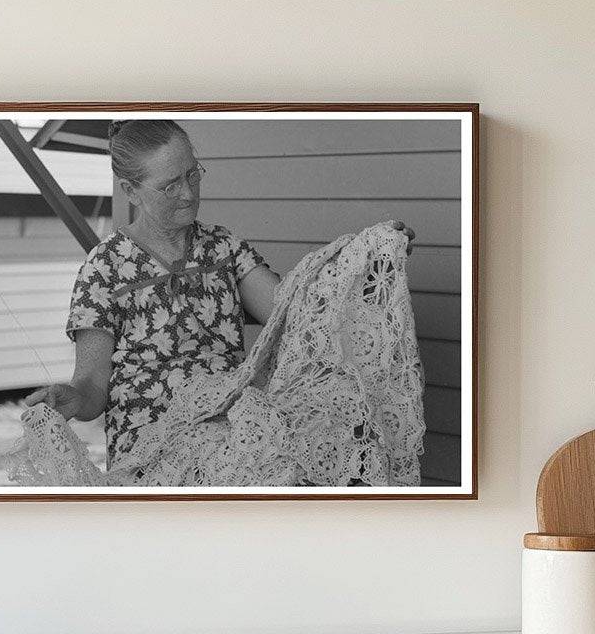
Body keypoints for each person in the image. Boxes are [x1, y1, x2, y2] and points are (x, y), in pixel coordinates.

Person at [24, 119, 414, 468]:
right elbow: (93, 388)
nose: (187, 194)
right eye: (170, 185)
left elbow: (295, 311)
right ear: (131, 191)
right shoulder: (104, 268)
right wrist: (75, 398)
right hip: (151, 453)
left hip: (230, 436)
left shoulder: (222, 248)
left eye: (192, 174)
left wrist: (369, 262)